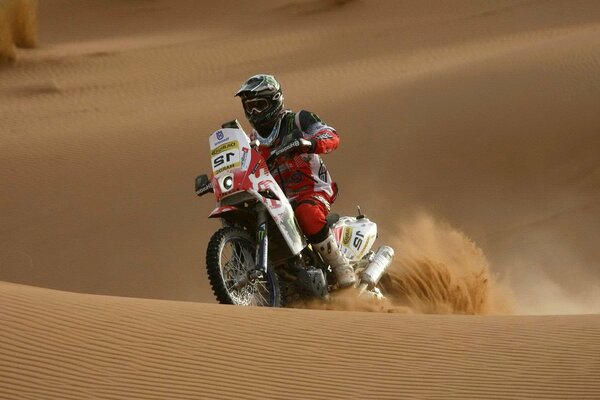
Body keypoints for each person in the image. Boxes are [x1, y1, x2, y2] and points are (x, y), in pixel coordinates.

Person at [235, 74, 356, 288]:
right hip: (275, 198)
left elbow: (330, 135)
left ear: (274, 101)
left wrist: (309, 142)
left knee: (306, 213)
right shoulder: (250, 140)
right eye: (249, 106)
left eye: (259, 105)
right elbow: (240, 166)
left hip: (312, 189)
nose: (253, 112)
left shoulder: (299, 120)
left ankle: (341, 265)